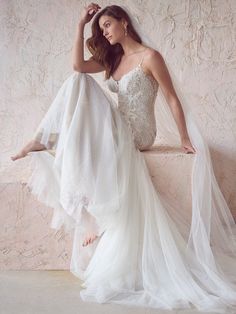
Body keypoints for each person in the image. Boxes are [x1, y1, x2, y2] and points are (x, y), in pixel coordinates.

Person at [11, 3, 236, 313]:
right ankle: (47, 141)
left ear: (124, 23)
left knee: (80, 99)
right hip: (116, 128)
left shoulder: (149, 57)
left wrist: (184, 137)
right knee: (77, 81)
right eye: (100, 28)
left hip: (138, 132)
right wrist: (80, 26)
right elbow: (77, 66)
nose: (103, 31)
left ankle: (46, 141)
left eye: (107, 25)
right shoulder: (112, 60)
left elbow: (170, 96)